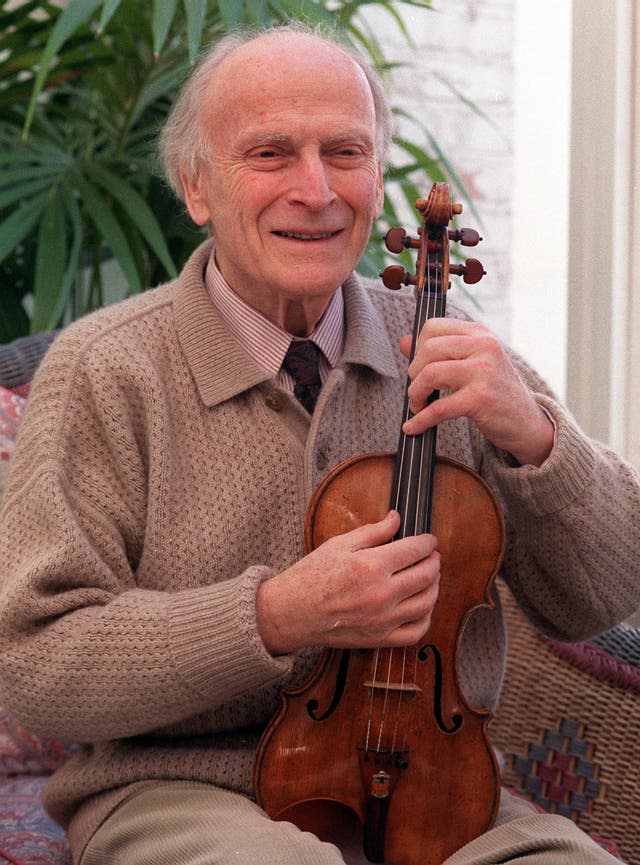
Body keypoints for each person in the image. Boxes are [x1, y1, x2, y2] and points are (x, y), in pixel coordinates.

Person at [0, 23, 639, 865]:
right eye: (271, 153)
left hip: (438, 783)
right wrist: (275, 615)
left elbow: (611, 591)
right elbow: (34, 660)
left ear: (376, 173)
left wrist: (536, 440)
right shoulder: (107, 369)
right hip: (182, 787)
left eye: (345, 151)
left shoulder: (443, 340)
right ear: (196, 187)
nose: (316, 189)